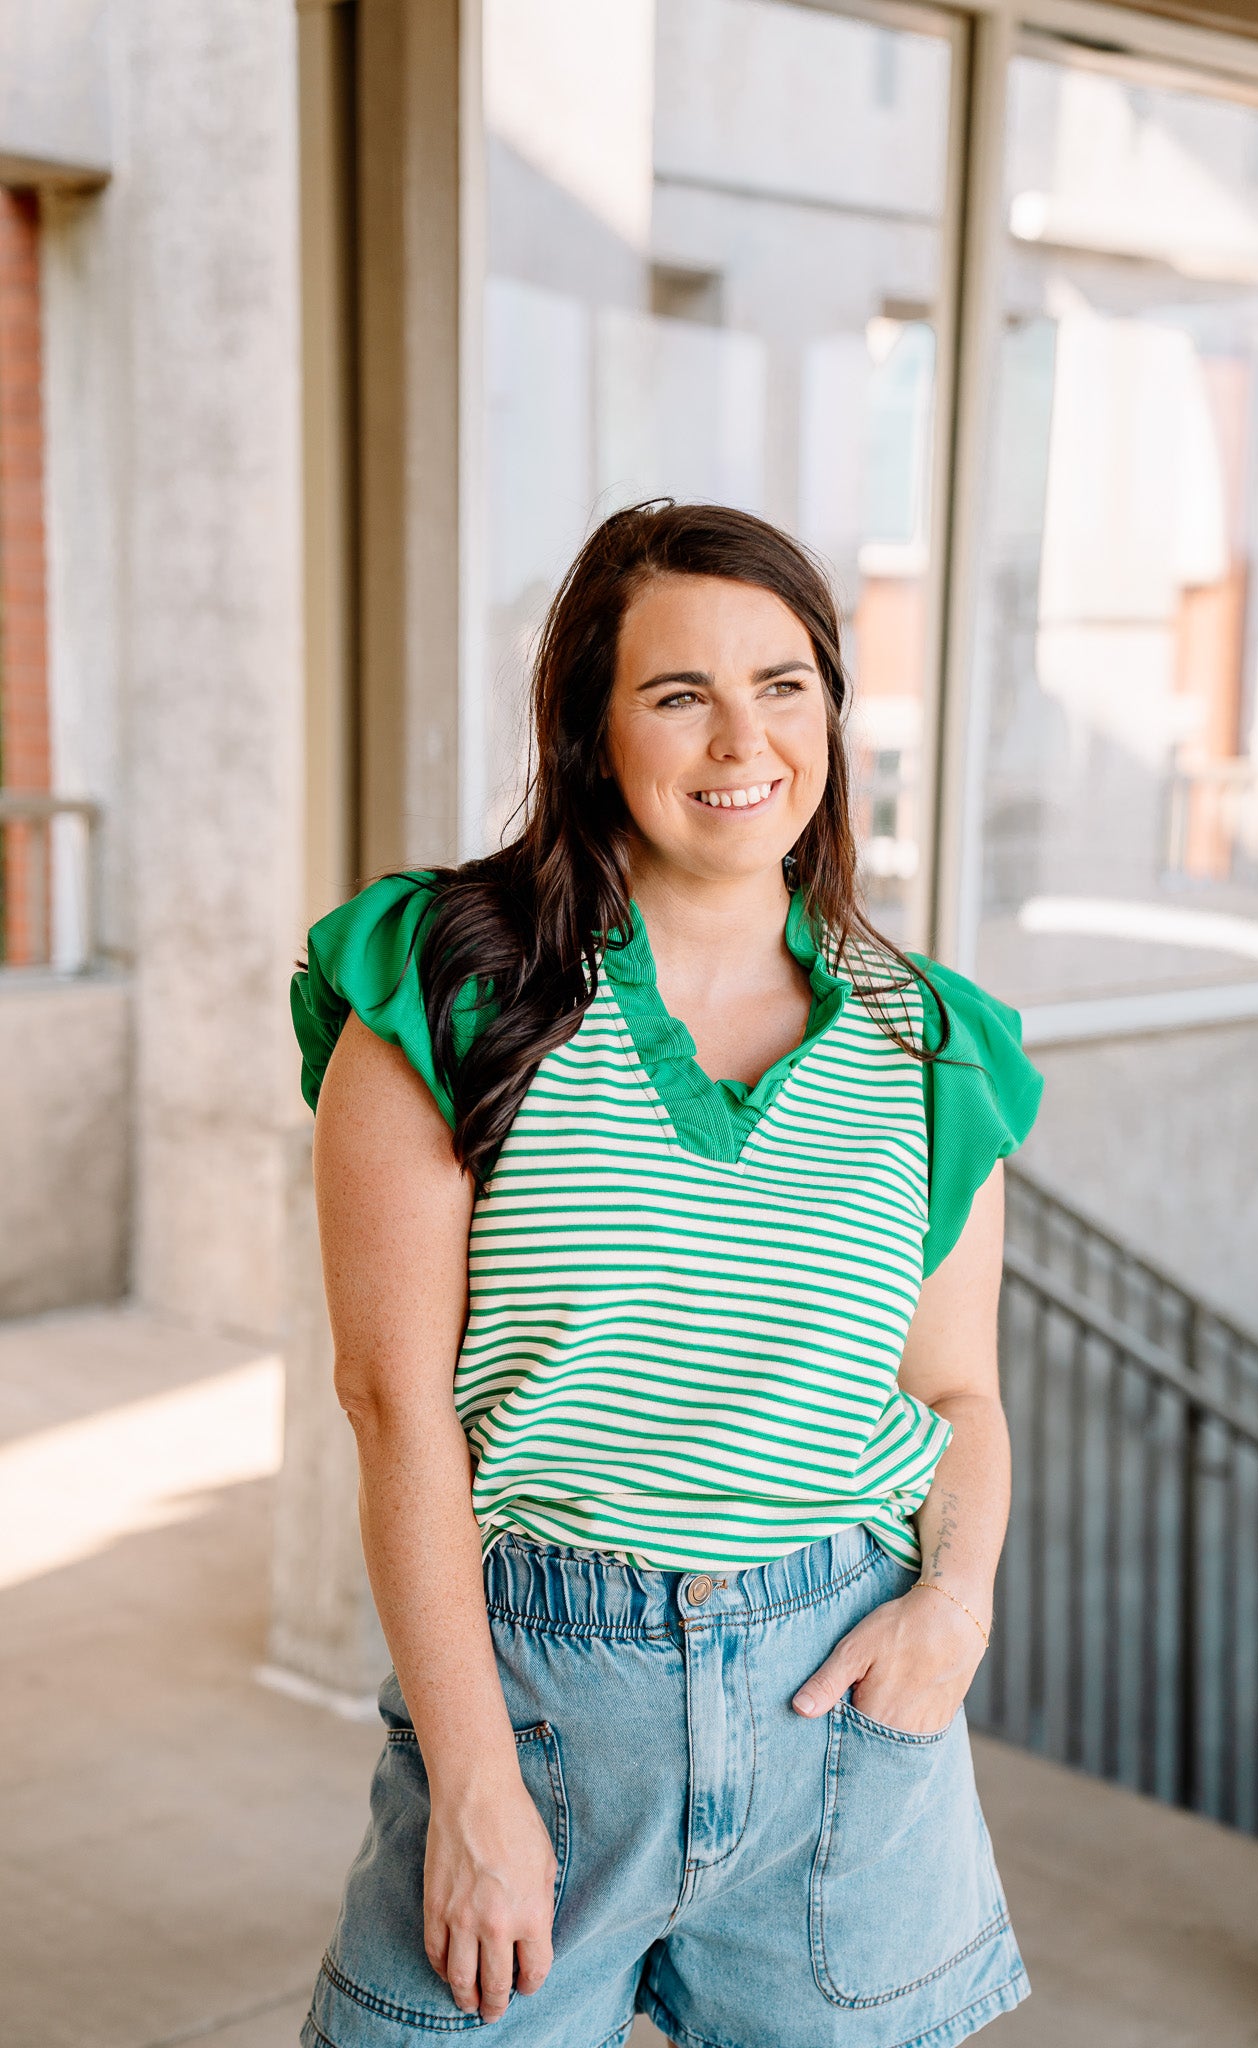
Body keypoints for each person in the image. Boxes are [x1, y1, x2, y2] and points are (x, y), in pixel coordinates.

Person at [291, 499, 1044, 2048]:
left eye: (782, 683)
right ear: (589, 726)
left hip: (844, 1702)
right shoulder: (450, 982)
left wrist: (953, 1610)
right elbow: (390, 1407)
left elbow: (955, 1391)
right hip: (542, 1699)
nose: (740, 738)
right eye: (676, 692)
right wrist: (478, 1784)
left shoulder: (930, 1038)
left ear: (832, 708)